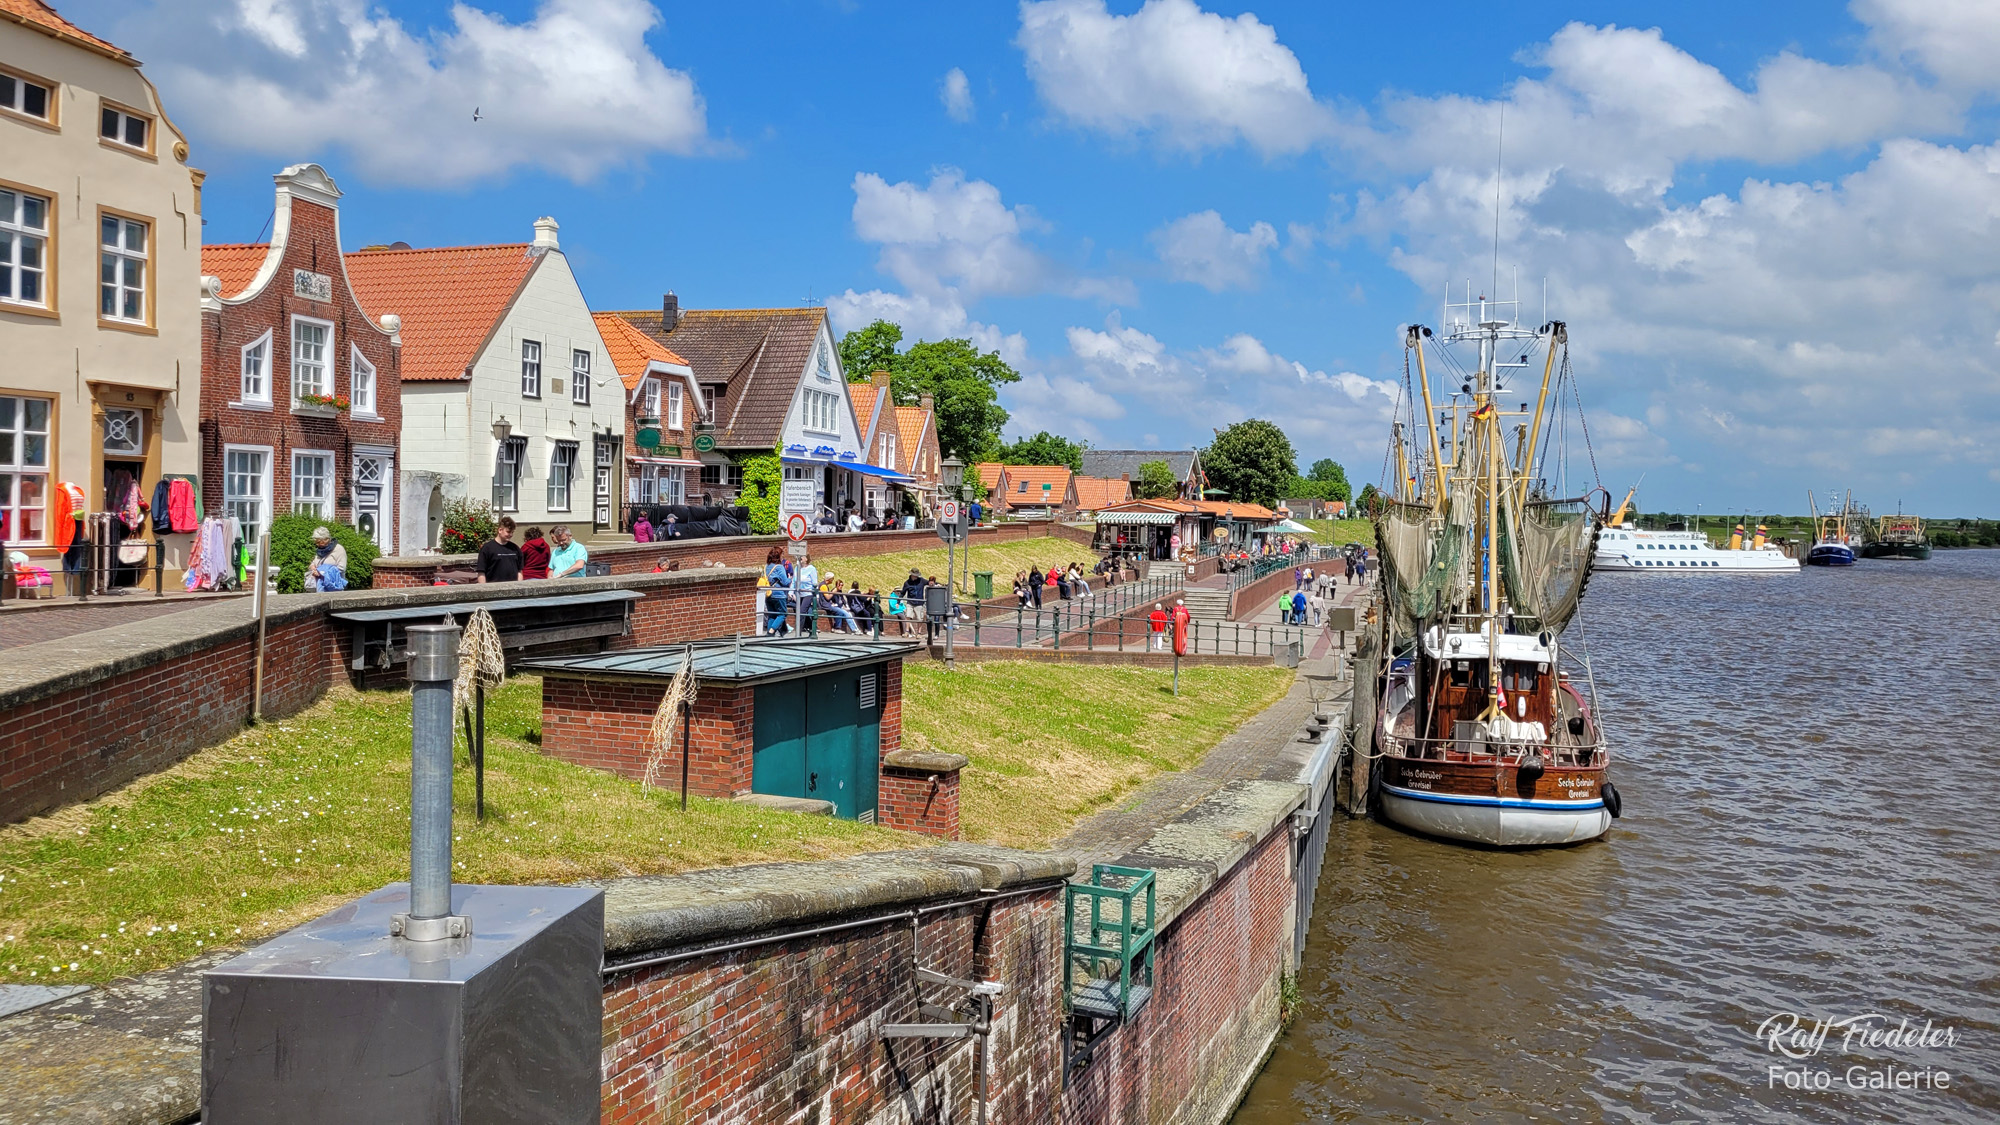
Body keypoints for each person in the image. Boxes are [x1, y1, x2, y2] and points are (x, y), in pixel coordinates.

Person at [475, 517, 522, 582]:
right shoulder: (487, 548)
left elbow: (519, 571)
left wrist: (519, 585)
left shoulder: (515, 549)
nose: (511, 535)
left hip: (513, 586)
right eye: (508, 532)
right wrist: (483, 587)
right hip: (493, 586)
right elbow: (481, 572)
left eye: (512, 532)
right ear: (500, 530)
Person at [305, 526, 348, 592]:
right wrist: (312, 567)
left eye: (319, 542)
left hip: (334, 587)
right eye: (316, 542)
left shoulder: (339, 549)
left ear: (326, 539)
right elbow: (314, 562)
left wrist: (321, 573)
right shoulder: (320, 551)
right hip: (320, 587)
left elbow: (341, 568)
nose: (317, 544)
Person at [763, 547, 792, 635]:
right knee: (782, 614)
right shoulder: (779, 567)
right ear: (778, 556)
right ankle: (772, 630)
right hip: (778, 594)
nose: (783, 557)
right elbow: (785, 582)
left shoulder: (766, 566)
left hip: (768, 593)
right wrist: (790, 578)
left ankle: (769, 634)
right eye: (782, 554)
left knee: (772, 615)